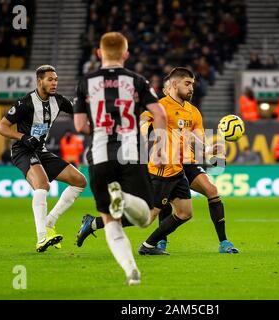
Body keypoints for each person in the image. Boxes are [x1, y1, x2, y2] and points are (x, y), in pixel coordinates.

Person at [76, 68, 239, 254]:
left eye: (192, 84)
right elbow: (142, 121)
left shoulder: (192, 112)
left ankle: (150, 245)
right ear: (175, 84)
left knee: (185, 212)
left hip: (178, 169)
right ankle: (95, 223)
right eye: (187, 83)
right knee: (147, 217)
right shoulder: (161, 106)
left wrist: (210, 150)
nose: (191, 88)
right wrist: (147, 137)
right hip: (162, 169)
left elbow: (194, 139)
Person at [73, 32, 167, 286]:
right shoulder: (137, 80)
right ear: (126, 54)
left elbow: (80, 125)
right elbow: (160, 114)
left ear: (98, 53)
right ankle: (123, 198)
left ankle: (131, 272)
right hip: (131, 154)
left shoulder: (85, 82)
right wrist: (159, 149)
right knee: (146, 217)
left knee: (110, 221)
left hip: (100, 157)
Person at [0, 65, 87, 253]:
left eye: (56, 80)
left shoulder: (59, 101)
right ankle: (42, 238)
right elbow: (0, 127)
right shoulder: (25, 103)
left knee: (80, 181)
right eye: (50, 79)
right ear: (39, 81)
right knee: (42, 185)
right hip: (23, 150)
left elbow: (79, 112)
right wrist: (22, 136)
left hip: (41, 150)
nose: (54, 83)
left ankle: (50, 221)